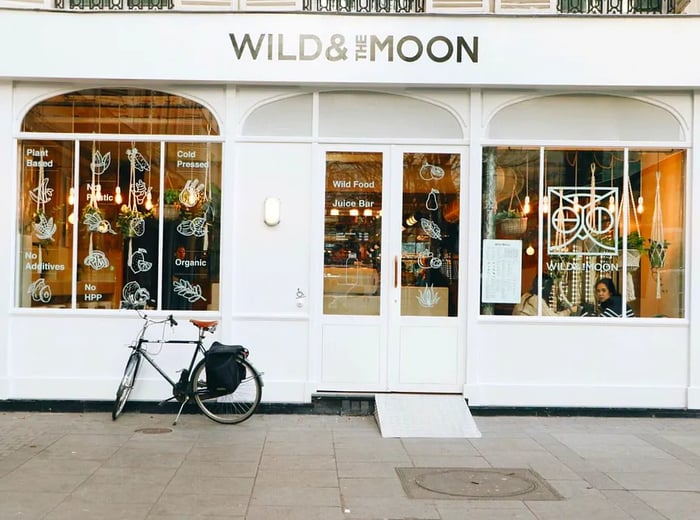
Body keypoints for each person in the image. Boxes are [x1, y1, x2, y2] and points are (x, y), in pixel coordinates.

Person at [513, 273, 578, 317]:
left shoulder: (525, 296)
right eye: (550, 287)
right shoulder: (536, 300)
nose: (550, 291)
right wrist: (569, 311)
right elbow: (553, 319)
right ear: (542, 287)